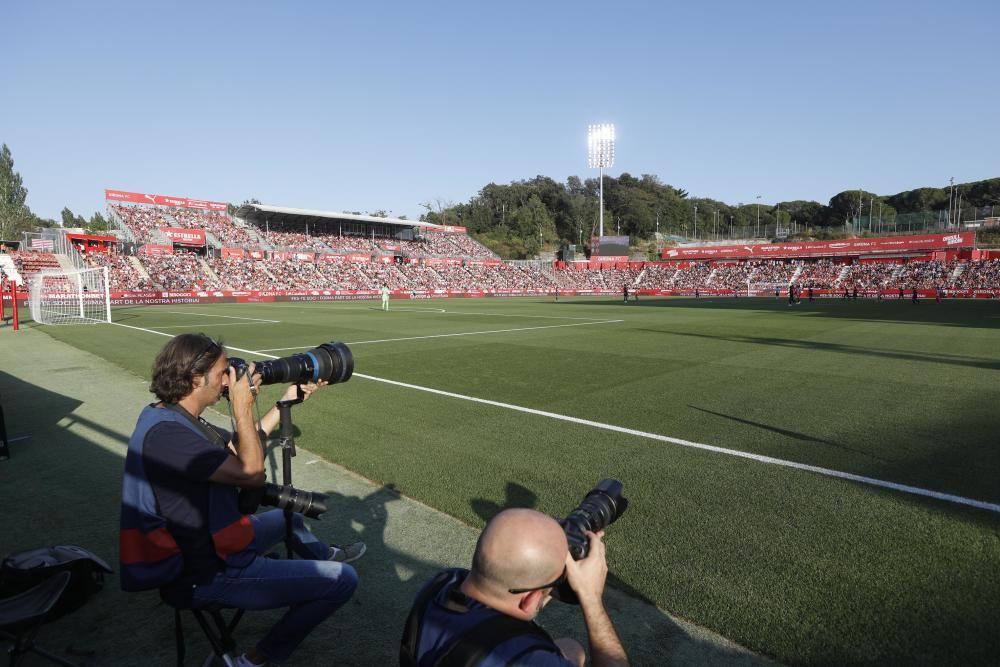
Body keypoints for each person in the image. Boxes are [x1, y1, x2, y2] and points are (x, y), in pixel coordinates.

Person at [120, 333, 365, 667]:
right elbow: (250, 472)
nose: (230, 378)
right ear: (195, 379)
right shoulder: (168, 436)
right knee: (342, 582)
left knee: (286, 518)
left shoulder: (171, 416)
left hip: (212, 540)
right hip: (201, 572)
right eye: (223, 372)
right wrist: (242, 406)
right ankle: (257, 659)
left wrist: (284, 404)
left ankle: (324, 555)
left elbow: (236, 450)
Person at [401, 509, 629, 667]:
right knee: (573, 650)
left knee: (570, 649)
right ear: (528, 601)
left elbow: (509, 592)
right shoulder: (529, 659)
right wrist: (590, 597)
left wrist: (546, 577)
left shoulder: (443, 582)